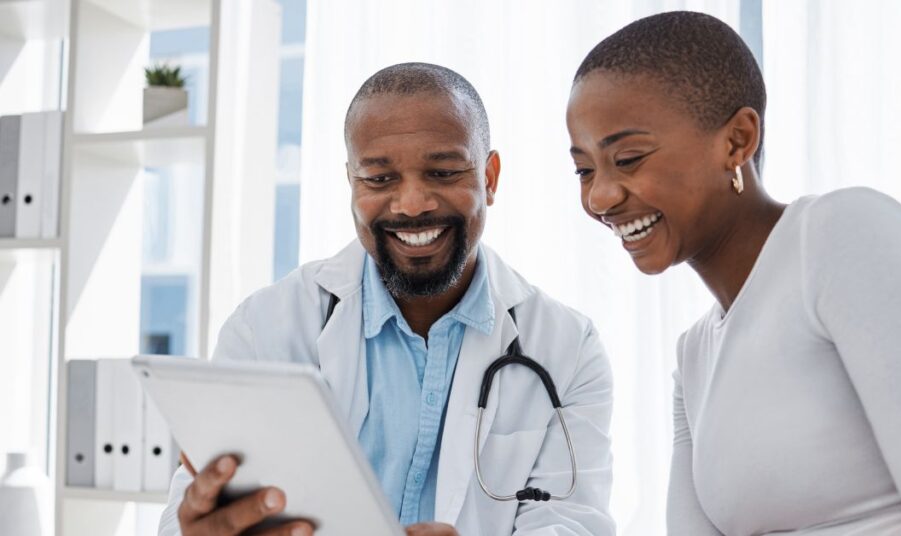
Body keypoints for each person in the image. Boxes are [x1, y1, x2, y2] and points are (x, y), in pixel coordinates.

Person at [565, 11, 901, 536]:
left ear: (737, 141)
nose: (600, 196)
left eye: (628, 158)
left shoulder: (844, 236)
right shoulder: (694, 358)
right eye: (584, 169)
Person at [158, 63, 615, 536]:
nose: (412, 203)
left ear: (490, 178)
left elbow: (571, 522)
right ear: (352, 182)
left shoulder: (567, 346)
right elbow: (186, 515)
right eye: (379, 179)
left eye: (442, 172)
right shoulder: (266, 326)